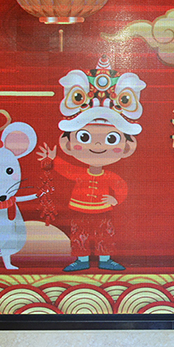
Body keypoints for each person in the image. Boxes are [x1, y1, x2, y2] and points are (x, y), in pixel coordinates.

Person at [37, 56, 146, 272]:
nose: (97, 144)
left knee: (105, 234)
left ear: (127, 147)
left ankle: (105, 260)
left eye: (111, 139)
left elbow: (121, 186)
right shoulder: (79, 172)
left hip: (103, 211)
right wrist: (52, 160)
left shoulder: (110, 176)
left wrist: (115, 199)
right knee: (80, 234)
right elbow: (65, 170)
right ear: (67, 144)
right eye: (84, 137)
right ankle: (82, 260)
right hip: (80, 210)